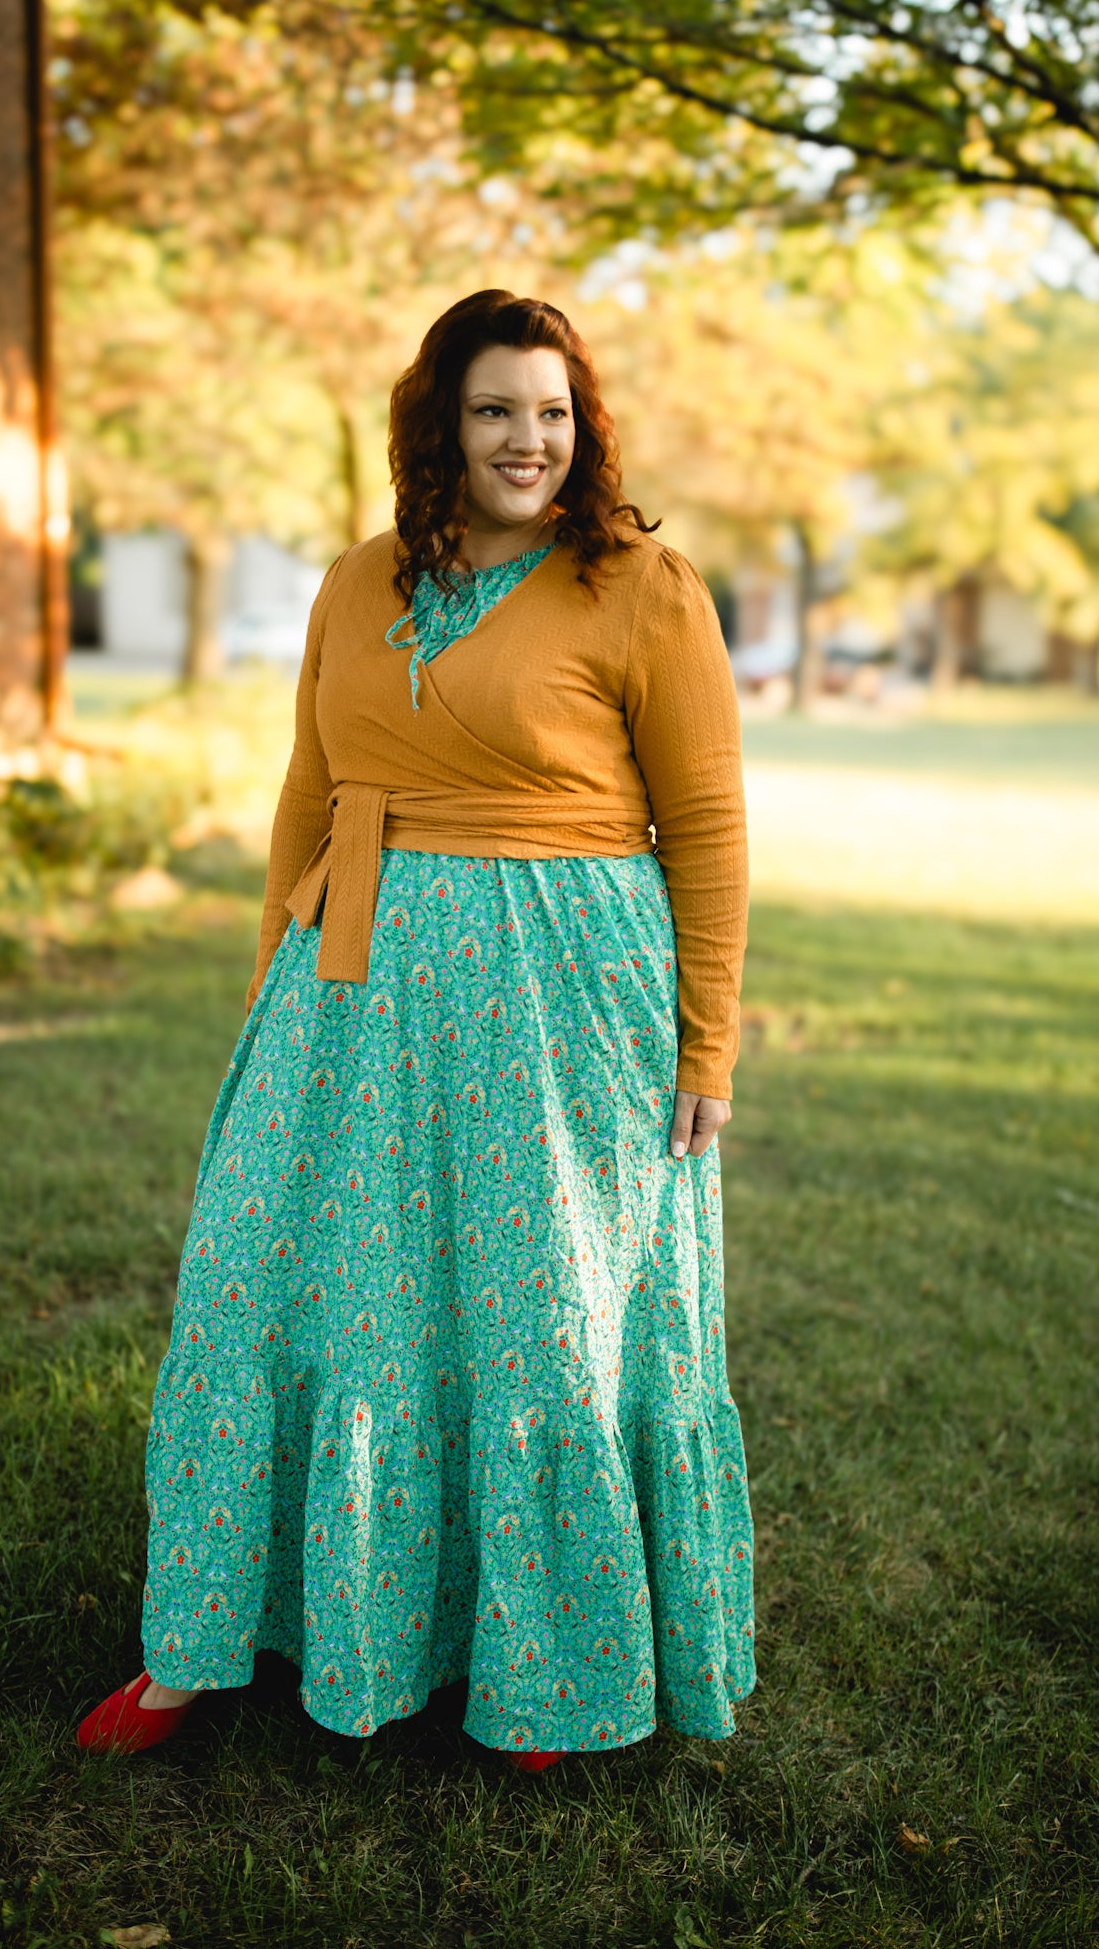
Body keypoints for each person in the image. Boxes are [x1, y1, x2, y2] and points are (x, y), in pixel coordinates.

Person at [77, 290, 755, 1770]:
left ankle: (549, 1665)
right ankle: (200, 1641)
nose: (529, 440)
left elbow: (703, 828)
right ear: (441, 420)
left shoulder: (640, 586)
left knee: (538, 1319)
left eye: (554, 412)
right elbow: (308, 792)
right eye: (498, 409)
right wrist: (277, 986)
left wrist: (705, 1045)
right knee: (267, 1288)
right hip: (351, 982)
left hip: (564, 991)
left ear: (585, 430)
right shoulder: (357, 579)